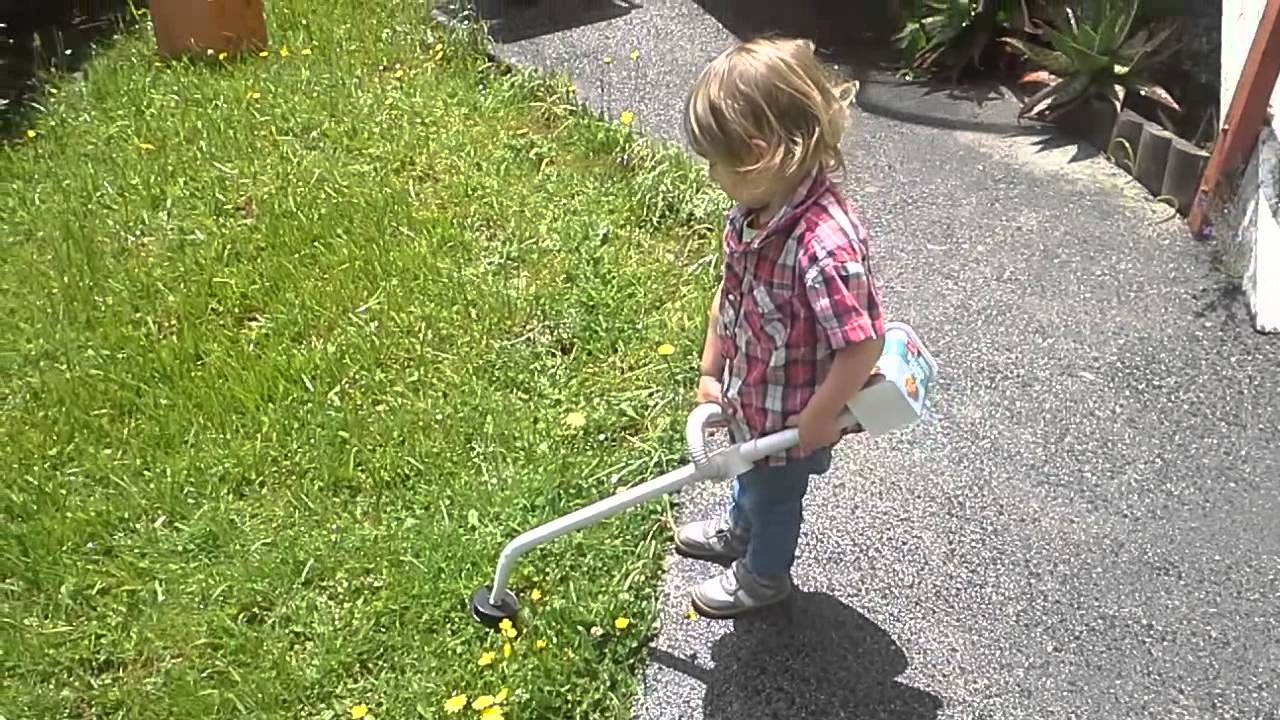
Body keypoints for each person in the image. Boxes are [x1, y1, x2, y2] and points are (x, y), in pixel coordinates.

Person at [676, 36, 886, 618]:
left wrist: (820, 415)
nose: (713, 174)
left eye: (717, 161)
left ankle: (764, 576)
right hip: (754, 400)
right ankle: (738, 533)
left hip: (794, 416)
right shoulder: (756, 212)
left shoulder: (824, 246)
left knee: (774, 496)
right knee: (751, 478)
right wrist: (711, 368)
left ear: (759, 152)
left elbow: (864, 340)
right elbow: (731, 292)